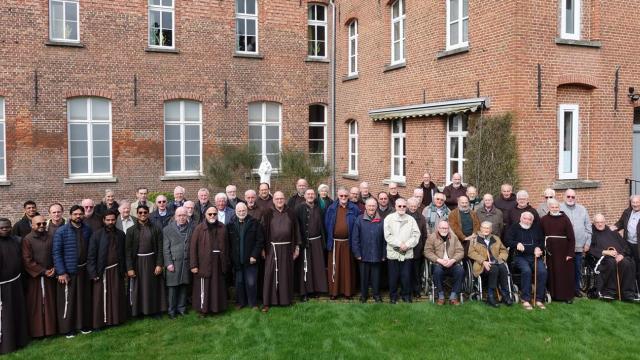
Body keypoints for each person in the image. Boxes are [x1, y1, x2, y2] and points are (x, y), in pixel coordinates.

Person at [52, 205, 93, 337]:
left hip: (83, 270)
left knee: (83, 300)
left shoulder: (87, 230)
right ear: (70, 215)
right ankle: (68, 329)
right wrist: (61, 272)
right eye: (75, 214)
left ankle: (82, 325)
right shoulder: (61, 231)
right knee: (68, 301)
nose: (78, 216)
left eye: (80, 214)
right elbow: (56, 253)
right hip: (68, 272)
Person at [87, 210, 127, 330]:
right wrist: (93, 272)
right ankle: (100, 323)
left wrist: (124, 269)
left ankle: (116, 320)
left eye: (113, 220)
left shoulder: (120, 234)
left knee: (116, 295)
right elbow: (91, 255)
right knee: (100, 297)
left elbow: (123, 253)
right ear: (104, 220)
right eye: (108, 220)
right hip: (101, 271)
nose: (110, 222)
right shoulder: (96, 235)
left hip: (116, 270)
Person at [262, 192, 300, 312]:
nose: (279, 200)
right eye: (277, 198)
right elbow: (262, 232)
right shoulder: (267, 213)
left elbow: (297, 230)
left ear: (285, 199)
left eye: (281, 198)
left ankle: (286, 300)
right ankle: (268, 301)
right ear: (273, 200)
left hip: (287, 248)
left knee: (286, 274)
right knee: (270, 275)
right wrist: (262, 248)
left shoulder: (291, 213)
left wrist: (297, 247)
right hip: (271, 248)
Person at [125, 205, 166, 317]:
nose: (143, 214)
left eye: (145, 212)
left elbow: (160, 248)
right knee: (139, 288)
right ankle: (139, 311)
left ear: (148, 213)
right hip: (137, 263)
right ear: (137, 214)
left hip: (152, 261)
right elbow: (128, 251)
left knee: (153, 287)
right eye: (140, 212)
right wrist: (129, 268)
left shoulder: (156, 228)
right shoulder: (131, 231)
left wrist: (159, 264)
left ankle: (155, 310)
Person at [21, 215, 57, 337]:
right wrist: (42, 271)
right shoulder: (27, 239)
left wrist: (54, 268)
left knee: (50, 303)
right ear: (32, 225)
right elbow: (27, 260)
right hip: (35, 278)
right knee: (36, 305)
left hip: (51, 276)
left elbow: (55, 253)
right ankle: (38, 331)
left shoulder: (51, 237)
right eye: (38, 224)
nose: (41, 226)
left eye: (43, 224)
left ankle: (51, 330)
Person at [190, 206, 229, 316]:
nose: (212, 216)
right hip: (204, 263)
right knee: (205, 286)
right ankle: (203, 309)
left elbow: (227, 246)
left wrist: (226, 262)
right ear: (205, 215)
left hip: (218, 262)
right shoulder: (199, 228)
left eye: (214, 214)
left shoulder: (222, 227)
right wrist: (194, 265)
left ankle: (217, 308)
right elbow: (193, 248)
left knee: (217, 286)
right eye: (210, 214)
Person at [505, 211, 547, 310]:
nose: (527, 221)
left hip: (534, 256)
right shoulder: (514, 227)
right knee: (526, 271)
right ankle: (526, 299)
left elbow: (541, 242)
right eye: (525, 218)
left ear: (532, 221)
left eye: (529, 219)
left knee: (542, 271)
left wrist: (538, 248)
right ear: (521, 218)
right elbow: (507, 240)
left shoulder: (536, 228)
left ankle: (539, 298)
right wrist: (516, 244)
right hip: (519, 257)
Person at [590, 214, 637, 301]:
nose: (600, 224)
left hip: (618, 256)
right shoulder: (591, 233)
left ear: (605, 222)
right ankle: (609, 292)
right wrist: (604, 252)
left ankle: (627, 293)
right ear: (594, 223)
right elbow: (590, 249)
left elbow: (625, 246)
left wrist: (622, 255)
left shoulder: (612, 231)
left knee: (628, 263)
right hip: (603, 258)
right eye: (597, 222)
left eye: (602, 222)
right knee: (611, 263)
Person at [0, 218, 29, 354]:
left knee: (17, 313)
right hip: (2, 287)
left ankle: (20, 340)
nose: (5, 230)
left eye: (7, 227)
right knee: (4, 316)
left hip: (16, 282)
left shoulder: (16, 241)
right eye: (2, 228)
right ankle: (6, 345)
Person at [324, 187, 359, 300]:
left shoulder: (354, 208)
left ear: (348, 196)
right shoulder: (331, 208)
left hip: (348, 244)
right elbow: (327, 224)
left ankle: (348, 292)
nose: (343, 198)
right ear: (337, 196)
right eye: (341, 196)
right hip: (334, 243)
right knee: (334, 268)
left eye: (345, 196)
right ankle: (334, 292)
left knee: (347, 269)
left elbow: (357, 227)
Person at [227, 203, 264, 310]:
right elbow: (229, 243)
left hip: (251, 260)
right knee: (239, 282)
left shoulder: (255, 223)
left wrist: (254, 255)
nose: (241, 213)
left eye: (243, 210)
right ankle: (240, 303)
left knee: (251, 283)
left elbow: (260, 241)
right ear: (236, 212)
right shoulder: (231, 224)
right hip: (237, 260)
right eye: (239, 211)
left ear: (246, 211)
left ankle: (253, 304)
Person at [384, 198, 420, 303]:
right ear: (395, 206)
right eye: (399, 206)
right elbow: (387, 235)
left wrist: (407, 245)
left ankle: (406, 296)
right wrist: (400, 244)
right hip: (393, 252)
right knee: (393, 277)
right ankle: (393, 297)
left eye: (404, 206)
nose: (402, 208)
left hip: (407, 252)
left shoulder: (411, 219)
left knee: (406, 276)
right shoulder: (389, 218)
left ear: (406, 207)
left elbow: (416, 234)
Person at [294, 189, 328, 301]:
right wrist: (299, 243)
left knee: (316, 267)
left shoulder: (319, 207)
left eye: (312, 194)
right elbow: (296, 227)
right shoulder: (299, 208)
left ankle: (314, 290)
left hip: (317, 241)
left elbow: (323, 225)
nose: (310, 196)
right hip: (305, 243)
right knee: (305, 268)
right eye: (308, 194)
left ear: (315, 196)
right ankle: (304, 293)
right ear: (304, 196)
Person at [468, 221, 511, 307]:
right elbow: (471, 252)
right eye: (484, 227)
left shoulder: (496, 238)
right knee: (494, 269)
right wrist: (483, 261)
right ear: (480, 228)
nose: (486, 229)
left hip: (496, 262)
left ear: (491, 229)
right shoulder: (475, 239)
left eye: (488, 228)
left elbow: (504, 250)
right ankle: (490, 296)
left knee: (503, 268)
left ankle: (505, 294)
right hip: (481, 264)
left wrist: (500, 259)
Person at [540, 199, 575, 303]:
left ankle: (567, 296)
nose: (554, 209)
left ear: (559, 208)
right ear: (549, 208)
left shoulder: (565, 219)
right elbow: (540, 235)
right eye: (552, 207)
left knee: (564, 273)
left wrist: (570, 253)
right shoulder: (544, 219)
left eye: (556, 207)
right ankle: (554, 295)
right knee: (552, 272)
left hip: (563, 250)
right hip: (550, 250)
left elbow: (571, 237)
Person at [352, 198, 385, 303]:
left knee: (376, 277)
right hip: (363, 254)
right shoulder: (359, 219)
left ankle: (376, 295)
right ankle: (364, 295)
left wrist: (384, 254)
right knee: (364, 277)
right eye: (369, 206)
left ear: (376, 207)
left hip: (377, 253)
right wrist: (357, 253)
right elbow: (355, 238)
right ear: (365, 207)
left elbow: (385, 239)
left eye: (373, 206)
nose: (371, 208)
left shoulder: (381, 220)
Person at [424, 220, 464, 305]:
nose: (444, 230)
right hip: (438, 263)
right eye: (442, 228)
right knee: (437, 271)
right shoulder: (432, 237)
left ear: (448, 228)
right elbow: (427, 252)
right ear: (438, 228)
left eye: (446, 228)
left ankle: (453, 296)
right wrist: (439, 260)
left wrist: (453, 260)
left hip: (452, 263)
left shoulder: (454, 237)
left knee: (460, 271)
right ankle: (441, 296)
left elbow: (460, 251)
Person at [163, 207, 193, 318]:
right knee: (172, 288)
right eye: (179, 215)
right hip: (173, 264)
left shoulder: (192, 227)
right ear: (175, 217)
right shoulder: (167, 229)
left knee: (184, 287)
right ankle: (171, 311)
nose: (181, 217)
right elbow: (165, 249)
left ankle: (182, 308)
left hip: (186, 263)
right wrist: (168, 263)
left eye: (184, 215)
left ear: (187, 216)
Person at [560, 189, 592, 298]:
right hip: (564, 247)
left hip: (579, 246)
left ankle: (576, 290)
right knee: (565, 269)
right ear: (564, 197)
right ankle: (565, 290)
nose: (570, 199)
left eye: (573, 197)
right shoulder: (559, 208)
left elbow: (588, 228)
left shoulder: (582, 209)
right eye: (568, 196)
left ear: (575, 198)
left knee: (577, 269)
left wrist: (587, 243)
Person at [612, 195, 640, 281]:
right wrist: (614, 227)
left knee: (638, 267)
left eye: (637, 202)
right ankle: (631, 288)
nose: (635, 204)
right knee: (629, 265)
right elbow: (621, 223)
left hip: (638, 246)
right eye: (633, 202)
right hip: (627, 244)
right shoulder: (627, 212)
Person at [407, 197, 428, 298]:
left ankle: (416, 290)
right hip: (405, 248)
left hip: (417, 249)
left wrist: (424, 248)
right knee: (406, 271)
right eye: (411, 206)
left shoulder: (421, 218)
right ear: (408, 205)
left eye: (415, 206)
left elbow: (424, 234)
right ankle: (407, 290)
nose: (413, 208)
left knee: (416, 272)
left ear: (418, 206)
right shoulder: (404, 215)